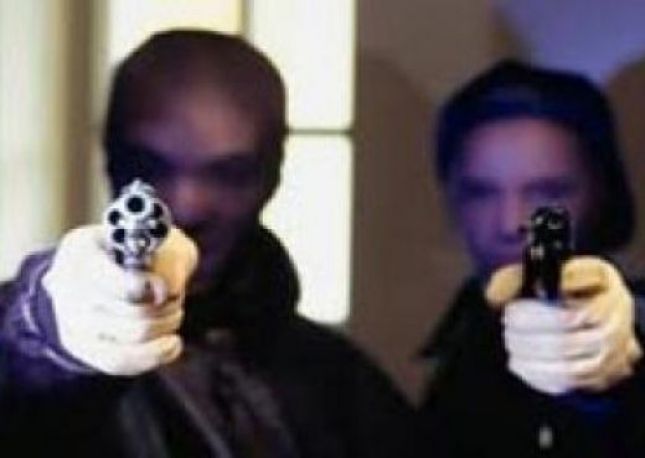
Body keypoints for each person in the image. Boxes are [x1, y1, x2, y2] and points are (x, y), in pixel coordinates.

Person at [0, 29, 415, 456]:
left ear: (272, 174)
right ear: (111, 159)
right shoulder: (53, 329)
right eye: (149, 166)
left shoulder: (338, 382)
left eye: (229, 174)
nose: (186, 205)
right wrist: (47, 323)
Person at [419, 60, 645, 457]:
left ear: (602, 195)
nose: (511, 223)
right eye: (480, 193)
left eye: (547, 193)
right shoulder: (465, 340)